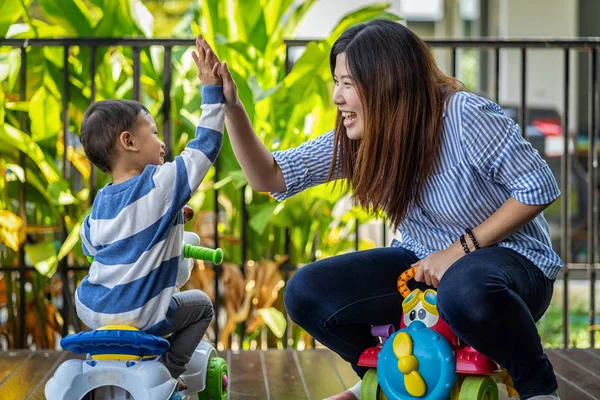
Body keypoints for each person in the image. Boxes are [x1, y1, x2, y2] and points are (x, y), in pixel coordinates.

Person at [200, 19, 562, 400]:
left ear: (386, 83)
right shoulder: (367, 136)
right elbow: (270, 176)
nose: (337, 97)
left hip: (510, 269)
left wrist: (459, 251)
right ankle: (389, 375)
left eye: (348, 84)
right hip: (423, 267)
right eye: (336, 82)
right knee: (306, 292)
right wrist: (232, 108)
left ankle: (538, 388)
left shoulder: (462, 116)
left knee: (463, 287)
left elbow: (538, 186)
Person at [74, 35, 227, 391]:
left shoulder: (101, 205)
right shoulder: (160, 185)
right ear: (128, 142)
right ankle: (170, 371)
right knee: (202, 306)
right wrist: (211, 92)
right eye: (154, 133)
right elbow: (205, 145)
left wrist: (173, 217)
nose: (161, 143)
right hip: (141, 316)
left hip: (95, 315)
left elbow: (92, 246)